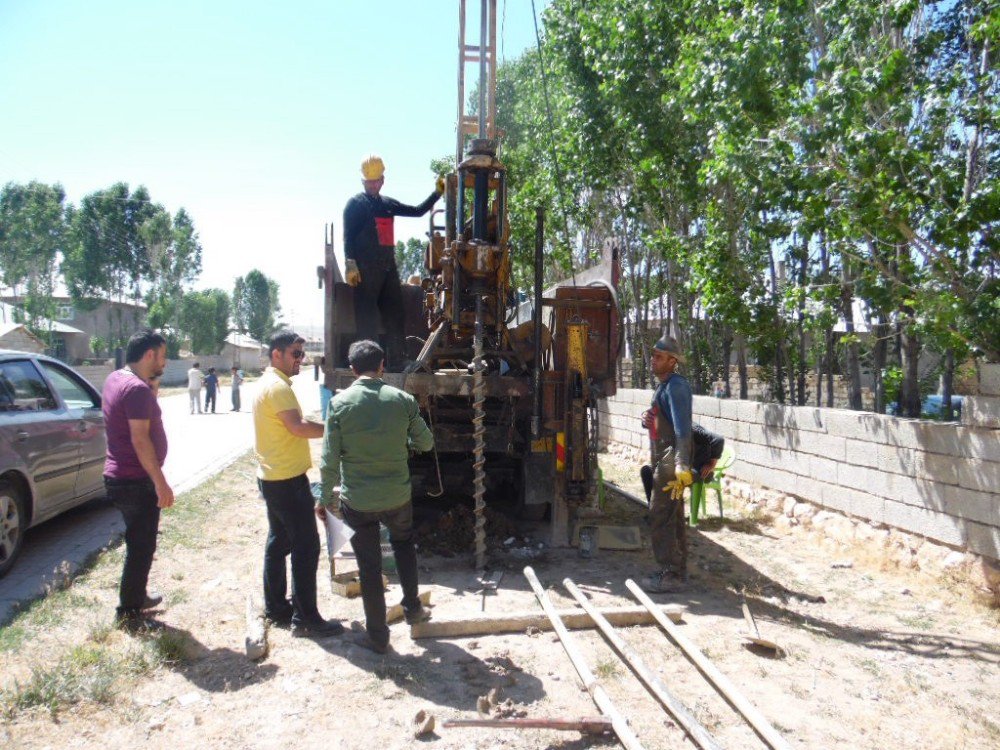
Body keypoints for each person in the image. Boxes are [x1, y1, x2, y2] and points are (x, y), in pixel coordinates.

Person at [319, 339, 434, 654]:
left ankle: (378, 636)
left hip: (358, 501)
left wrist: (324, 498)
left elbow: (329, 459)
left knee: (369, 567)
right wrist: (404, 443)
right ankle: (413, 609)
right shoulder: (402, 400)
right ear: (382, 366)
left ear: (352, 369)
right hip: (398, 496)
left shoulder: (339, 404)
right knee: (404, 547)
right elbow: (425, 443)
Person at [253, 330, 343, 638]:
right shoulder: (277, 387)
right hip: (286, 480)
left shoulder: (269, 383)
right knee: (306, 545)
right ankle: (305, 618)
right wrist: (335, 430)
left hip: (273, 477)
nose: (300, 360)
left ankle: (277, 607)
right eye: (295, 353)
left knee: (280, 542)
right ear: (276, 354)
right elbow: (298, 427)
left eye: (302, 354)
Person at [342, 154, 444, 370]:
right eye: (369, 181)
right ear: (363, 181)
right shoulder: (355, 204)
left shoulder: (387, 204)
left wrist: (437, 193)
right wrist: (350, 263)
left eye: (376, 180)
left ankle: (397, 360)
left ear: (382, 180)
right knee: (367, 318)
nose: (373, 184)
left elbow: (417, 211)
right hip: (365, 270)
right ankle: (367, 365)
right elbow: (348, 236)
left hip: (387, 269)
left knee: (396, 315)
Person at [102, 328, 173, 631]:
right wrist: (160, 482)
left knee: (140, 543)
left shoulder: (117, 378)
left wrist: (150, 389)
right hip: (135, 480)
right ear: (149, 355)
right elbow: (141, 441)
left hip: (121, 476)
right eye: (163, 356)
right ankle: (128, 612)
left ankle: (137, 596)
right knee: (141, 546)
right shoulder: (136, 390)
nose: (165, 363)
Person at [639, 334, 694, 593]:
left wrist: (682, 464)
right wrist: (649, 419)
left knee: (660, 514)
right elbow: (665, 422)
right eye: (653, 355)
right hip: (664, 455)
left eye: (659, 357)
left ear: (673, 361)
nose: (653, 360)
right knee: (673, 516)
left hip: (672, 459)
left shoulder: (677, 387)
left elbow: (684, 430)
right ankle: (676, 570)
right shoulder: (664, 387)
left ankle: (671, 573)